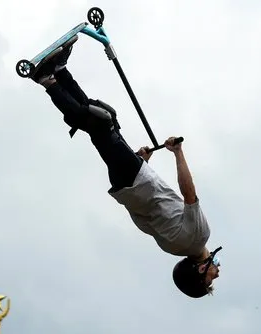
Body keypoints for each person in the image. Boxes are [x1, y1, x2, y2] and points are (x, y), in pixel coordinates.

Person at [28, 35, 222, 298]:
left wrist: (177, 152)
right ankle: (59, 71)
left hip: (137, 180)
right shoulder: (171, 247)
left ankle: (47, 80)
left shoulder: (199, 236)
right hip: (125, 186)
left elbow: (189, 195)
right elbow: (143, 217)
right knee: (102, 124)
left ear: (201, 271)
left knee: (102, 122)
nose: (217, 273)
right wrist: (141, 164)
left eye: (212, 278)